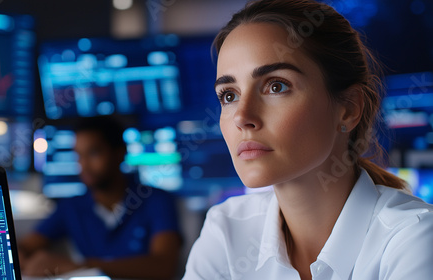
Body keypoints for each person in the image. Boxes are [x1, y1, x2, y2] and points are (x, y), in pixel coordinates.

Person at [183, 0, 433, 279]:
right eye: (229, 95)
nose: (242, 117)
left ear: (348, 108)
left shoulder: (414, 238)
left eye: (276, 86)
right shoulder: (227, 231)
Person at [19, 116, 182, 280]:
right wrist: (21, 255)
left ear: (120, 153)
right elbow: (28, 245)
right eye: (79, 155)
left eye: (93, 153)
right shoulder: (72, 206)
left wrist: (79, 266)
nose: (84, 165)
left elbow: (163, 267)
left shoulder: (155, 200)